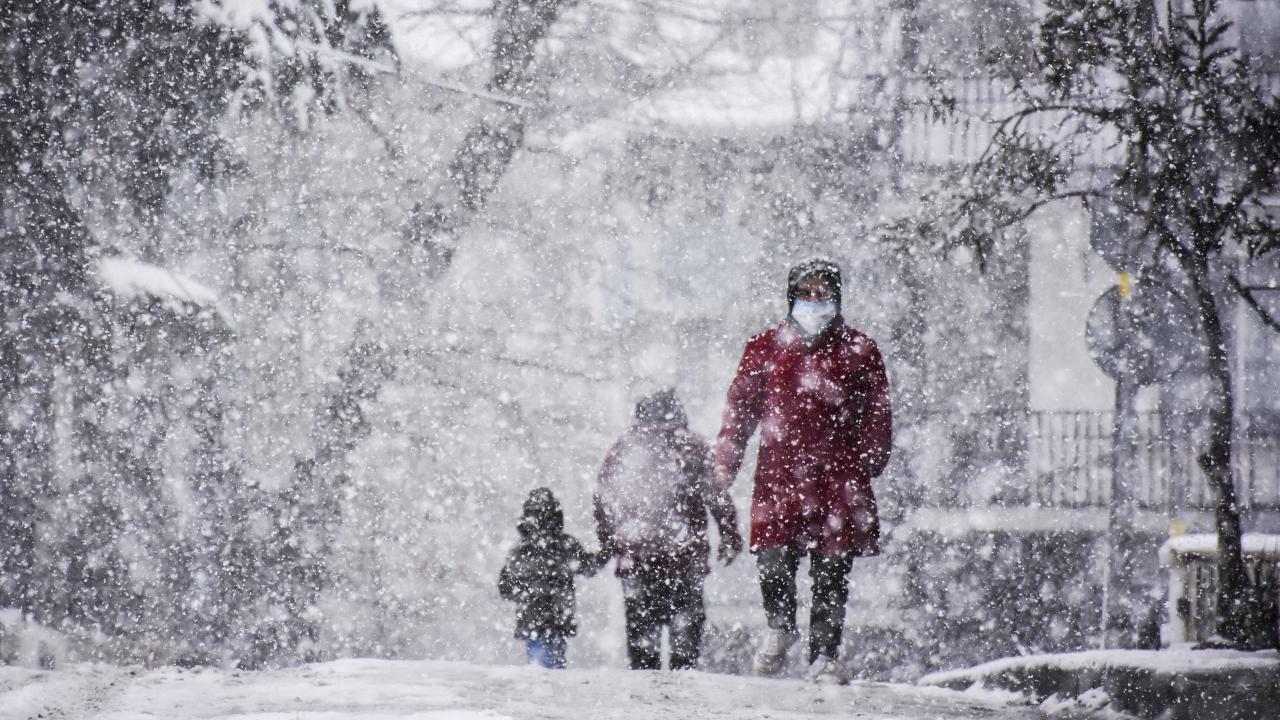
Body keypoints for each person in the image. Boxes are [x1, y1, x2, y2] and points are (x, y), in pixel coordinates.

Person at [712, 258, 892, 684]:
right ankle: (780, 624)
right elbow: (740, 409)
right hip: (780, 474)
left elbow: (877, 411)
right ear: (791, 296)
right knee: (774, 558)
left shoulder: (860, 351)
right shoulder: (764, 348)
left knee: (832, 572)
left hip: (839, 476)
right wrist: (725, 460)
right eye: (806, 293)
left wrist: (871, 457)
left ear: (837, 297)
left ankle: (824, 657)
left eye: (823, 293)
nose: (815, 301)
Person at [595, 389, 744, 671]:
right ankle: (682, 693)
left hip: (637, 556)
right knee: (685, 640)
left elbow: (603, 498)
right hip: (684, 556)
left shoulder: (624, 448)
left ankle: (644, 699)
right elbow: (715, 494)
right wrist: (729, 535)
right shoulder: (691, 446)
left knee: (642, 639)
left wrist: (609, 542)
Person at [498, 487, 603, 669]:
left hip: (531, 618)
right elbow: (587, 567)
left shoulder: (520, 550)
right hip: (558, 616)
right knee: (554, 662)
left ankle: (541, 688)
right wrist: (606, 552)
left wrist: (523, 592)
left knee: (538, 664)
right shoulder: (565, 545)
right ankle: (549, 689)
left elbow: (505, 587)